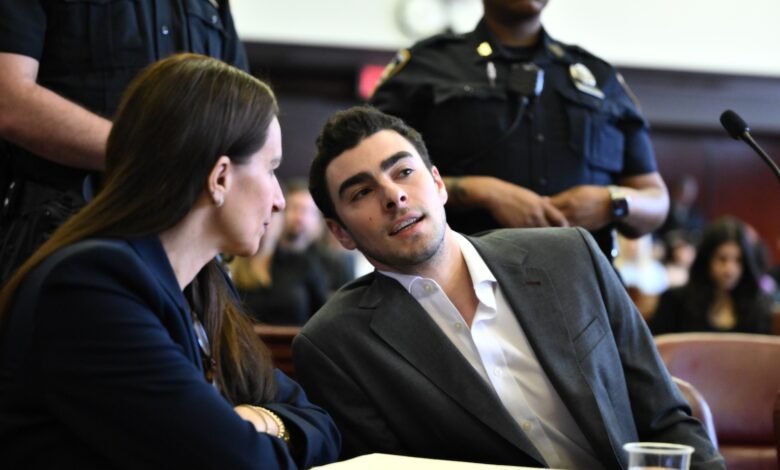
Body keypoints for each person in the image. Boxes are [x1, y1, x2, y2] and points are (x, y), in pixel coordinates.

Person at [293, 106, 722, 468]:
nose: (393, 196)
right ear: (341, 232)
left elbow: (666, 418)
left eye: (404, 172)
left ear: (438, 184)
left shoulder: (569, 256)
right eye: (361, 193)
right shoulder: (335, 345)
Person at [0, 54, 340, 468]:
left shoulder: (204, 285)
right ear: (219, 177)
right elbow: (241, 462)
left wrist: (261, 420)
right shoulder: (90, 287)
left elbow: (322, 425)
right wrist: (258, 431)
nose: (279, 200)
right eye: (271, 170)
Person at [370, 0, 669, 261]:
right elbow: (372, 177)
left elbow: (656, 198)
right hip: (463, 287)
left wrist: (613, 201)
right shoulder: (426, 67)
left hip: (585, 291)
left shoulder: (598, 78)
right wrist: (481, 192)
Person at [0, 0, 249, 283]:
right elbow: (9, 100)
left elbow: (245, 122)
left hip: (189, 257)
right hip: (66, 238)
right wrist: (153, 156)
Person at [650, 217, 773, 335]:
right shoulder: (675, 302)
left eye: (738, 260)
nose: (730, 270)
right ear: (706, 260)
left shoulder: (758, 308)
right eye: (722, 259)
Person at [230, 211, 329, 326]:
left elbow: (324, 315)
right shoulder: (229, 264)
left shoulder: (302, 263)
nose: (267, 220)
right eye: (260, 213)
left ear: (282, 220)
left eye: (273, 213)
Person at [279, 179, 355, 293]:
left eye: (307, 211)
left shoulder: (335, 264)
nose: (299, 217)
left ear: (319, 221)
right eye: (294, 208)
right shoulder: (265, 261)